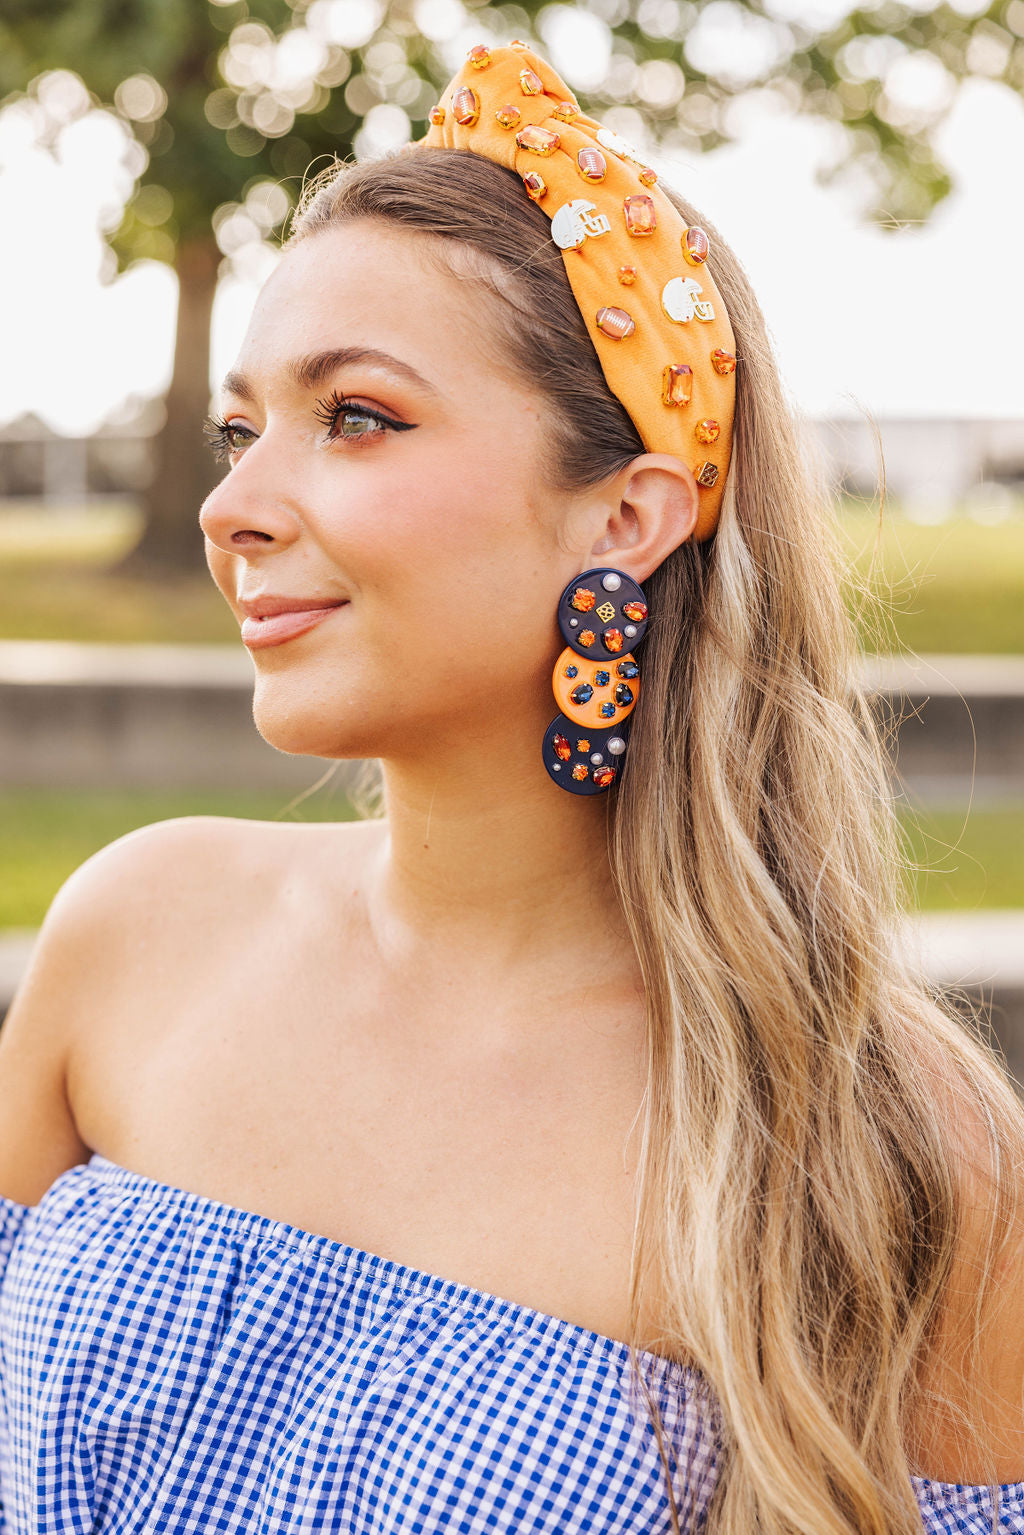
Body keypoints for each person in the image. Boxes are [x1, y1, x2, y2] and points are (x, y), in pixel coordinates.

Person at [0, 40, 1021, 1535]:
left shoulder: (885, 1153)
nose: (232, 509)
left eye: (355, 415)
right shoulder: (134, 933)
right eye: (242, 429)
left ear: (622, 515)